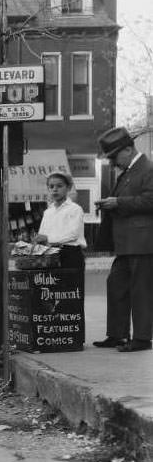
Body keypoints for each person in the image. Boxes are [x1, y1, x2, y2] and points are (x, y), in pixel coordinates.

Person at [92, 126, 153, 352]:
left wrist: (118, 203)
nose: (113, 162)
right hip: (128, 243)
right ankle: (117, 334)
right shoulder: (131, 171)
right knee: (116, 285)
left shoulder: (147, 168)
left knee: (141, 291)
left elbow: (150, 200)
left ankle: (142, 338)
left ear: (128, 150)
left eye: (114, 156)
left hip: (143, 242)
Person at [32, 171, 85, 271]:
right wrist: (38, 240)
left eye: (59, 186)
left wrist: (47, 238)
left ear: (68, 188)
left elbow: (73, 234)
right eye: (51, 187)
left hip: (70, 254)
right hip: (50, 255)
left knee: (71, 286)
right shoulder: (48, 212)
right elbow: (42, 233)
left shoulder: (75, 209)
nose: (55, 190)